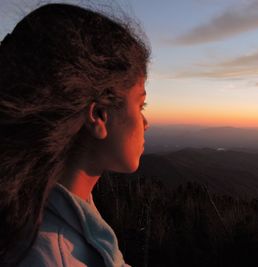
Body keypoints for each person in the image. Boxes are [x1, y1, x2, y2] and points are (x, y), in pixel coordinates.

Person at [0, 3, 150, 266]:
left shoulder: (58, 205)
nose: (146, 122)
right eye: (140, 105)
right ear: (100, 116)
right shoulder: (53, 257)